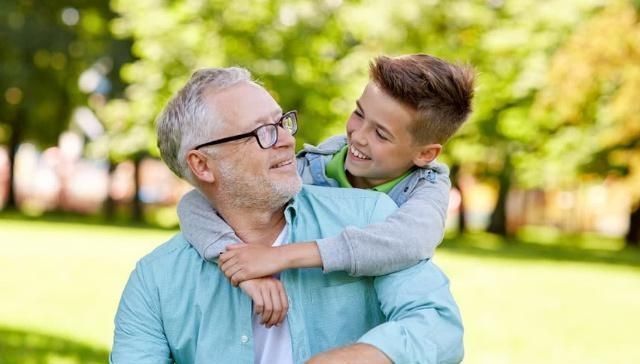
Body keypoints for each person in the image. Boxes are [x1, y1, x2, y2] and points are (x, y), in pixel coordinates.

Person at [111, 67, 464, 363]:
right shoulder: (156, 280)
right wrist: (233, 262)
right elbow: (193, 205)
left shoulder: (374, 214)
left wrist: (354, 357)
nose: (286, 140)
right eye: (262, 132)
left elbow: (438, 326)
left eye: (281, 122)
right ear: (202, 165)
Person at [177, 54, 474, 324]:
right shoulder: (312, 168)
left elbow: (410, 241)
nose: (358, 136)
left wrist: (283, 256)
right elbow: (195, 204)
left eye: (381, 134)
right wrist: (240, 265)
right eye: (359, 114)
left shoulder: (426, 187)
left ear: (425, 154)